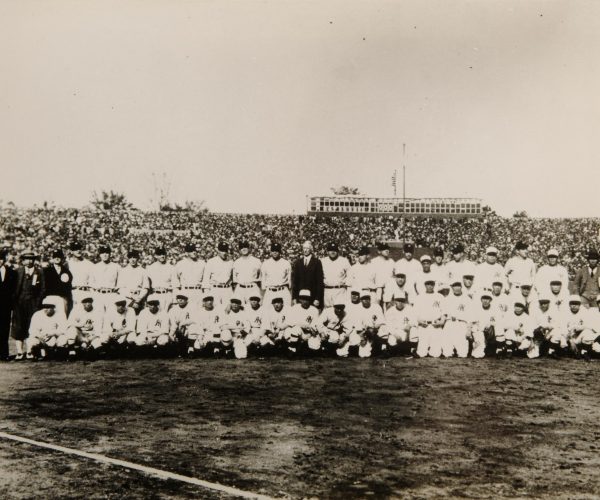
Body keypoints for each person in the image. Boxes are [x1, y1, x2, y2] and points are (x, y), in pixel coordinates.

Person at [11, 251, 45, 360]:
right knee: (19, 326)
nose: (29, 261)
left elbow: (43, 289)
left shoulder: (39, 272)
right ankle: (20, 352)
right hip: (19, 302)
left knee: (32, 326)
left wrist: (38, 302)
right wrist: (14, 301)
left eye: (31, 259)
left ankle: (30, 351)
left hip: (33, 302)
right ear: (23, 260)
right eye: (27, 258)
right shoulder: (17, 272)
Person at [441, 281, 473, 358]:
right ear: (452, 287)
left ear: (461, 287)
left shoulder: (467, 299)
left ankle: (458, 349)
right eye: (455, 286)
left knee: (463, 354)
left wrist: (469, 330)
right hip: (450, 323)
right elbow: (444, 314)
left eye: (458, 285)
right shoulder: (447, 299)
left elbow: (470, 316)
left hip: (461, 324)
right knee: (447, 353)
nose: (457, 288)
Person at [291, 241, 324, 308]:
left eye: (307, 248)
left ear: (311, 249)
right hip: (301, 297)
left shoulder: (317, 262)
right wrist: (294, 297)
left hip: (312, 296)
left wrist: (317, 298)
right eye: (304, 248)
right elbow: (295, 282)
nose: (305, 250)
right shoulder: (298, 262)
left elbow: (319, 282)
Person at [117, 250, 150, 314]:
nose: (132, 260)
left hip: (139, 299)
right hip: (127, 299)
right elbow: (120, 288)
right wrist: (131, 296)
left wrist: (138, 300)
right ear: (128, 258)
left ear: (138, 258)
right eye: (130, 257)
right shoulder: (123, 271)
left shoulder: (143, 271)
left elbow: (146, 288)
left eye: (134, 257)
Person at [146, 247, 179, 312]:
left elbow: (175, 285)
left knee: (167, 317)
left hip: (167, 294)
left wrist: (175, 301)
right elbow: (147, 285)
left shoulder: (171, 268)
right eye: (159, 254)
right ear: (155, 256)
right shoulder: (150, 268)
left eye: (163, 254)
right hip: (155, 294)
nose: (162, 256)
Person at [90, 245, 120, 312]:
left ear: (110, 254)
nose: (105, 255)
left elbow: (120, 283)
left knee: (111, 317)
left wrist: (116, 295)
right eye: (103, 253)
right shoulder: (95, 267)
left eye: (107, 253)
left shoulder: (116, 267)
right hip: (98, 295)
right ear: (100, 255)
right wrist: (94, 295)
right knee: (98, 317)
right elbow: (91, 283)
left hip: (111, 295)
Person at [42, 249, 73, 315]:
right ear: (52, 258)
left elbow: (68, 286)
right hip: (49, 297)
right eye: (55, 257)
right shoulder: (46, 271)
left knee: (62, 317)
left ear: (62, 258)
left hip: (62, 298)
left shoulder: (66, 271)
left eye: (59, 256)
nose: (57, 258)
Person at [470, 291, 500, 358]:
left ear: (490, 300)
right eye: (484, 299)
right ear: (481, 299)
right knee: (478, 355)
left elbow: (498, 322)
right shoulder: (476, 308)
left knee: (490, 354)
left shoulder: (495, 309)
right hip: (479, 331)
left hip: (490, 333)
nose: (485, 301)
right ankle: (476, 346)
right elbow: (473, 322)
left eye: (487, 299)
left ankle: (493, 346)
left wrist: (490, 324)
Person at [203, 242, 234, 306]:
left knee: (227, 310)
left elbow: (233, 278)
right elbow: (206, 279)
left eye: (225, 250)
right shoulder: (211, 262)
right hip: (215, 289)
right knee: (215, 311)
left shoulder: (231, 262)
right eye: (222, 251)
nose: (224, 253)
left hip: (227, 289)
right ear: (218, 251)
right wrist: (207, 294)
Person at [321, 242, 350, 308]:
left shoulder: (344, 260)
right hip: (327, 290)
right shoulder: (323, 261)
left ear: (337, 251)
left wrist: (345, 283)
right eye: (331, 250)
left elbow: (350, 275)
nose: (333, 252)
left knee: (340, 310)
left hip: (340, 290)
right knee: (327, 311)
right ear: (327, 251)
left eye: (334, 250)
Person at [0, 248, 16, 361]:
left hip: (6, 305)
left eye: (1, 259)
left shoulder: (11, 272)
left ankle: (4, 353)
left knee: (5, 329)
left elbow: (14, 290)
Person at [67, 242, 93, 306]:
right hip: (72, 293)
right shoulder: (67, 264)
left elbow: (92, 281)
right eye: (75, 249)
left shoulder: (89, 264)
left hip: (85, 293)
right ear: (71, 251)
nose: (78, 251)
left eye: (79, 249)